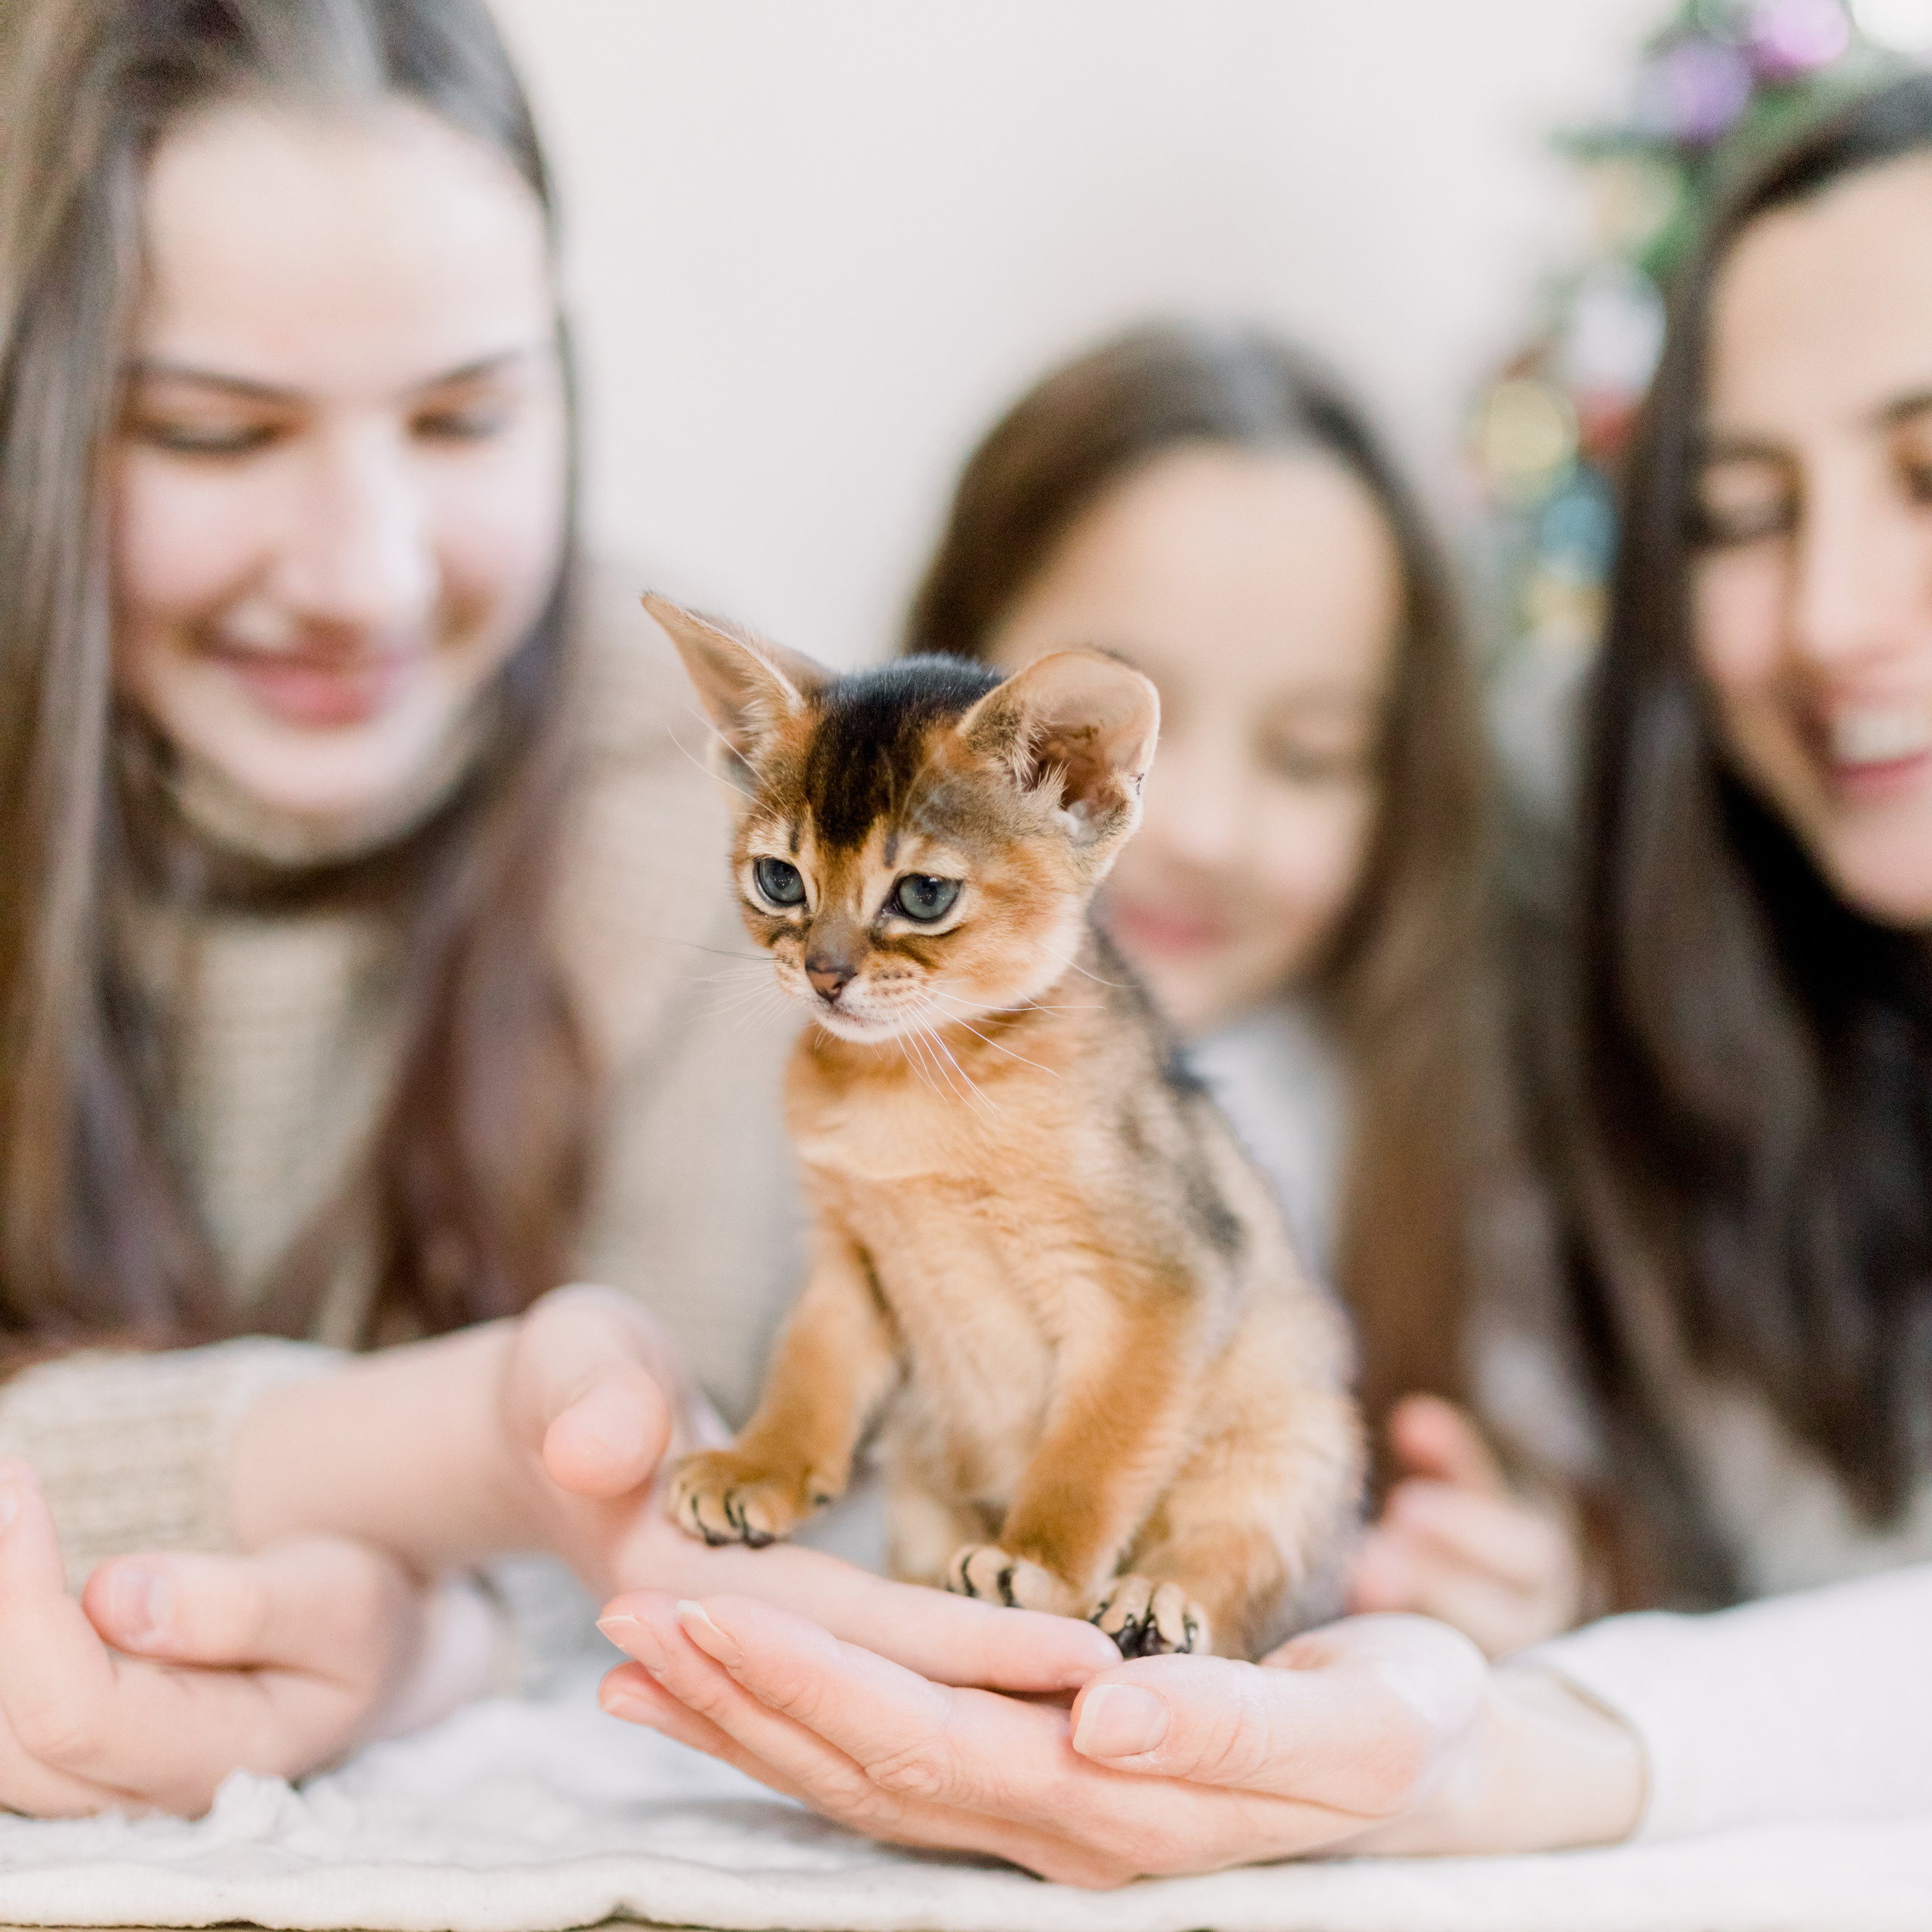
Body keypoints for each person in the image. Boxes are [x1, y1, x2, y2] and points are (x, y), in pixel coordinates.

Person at [593, 75, 1932, 1877]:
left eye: (1314, 752)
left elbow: (1692, 1561)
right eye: (1734, 507)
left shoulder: (1474, 1074)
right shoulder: (783, 1042)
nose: (1194, 828)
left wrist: (1541, 1655)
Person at [0, 0, 822, 1812]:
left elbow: (766, 1509)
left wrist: (425, 1635)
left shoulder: (728, 811)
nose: (363, 573)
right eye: (215, 436)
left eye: (465, 416)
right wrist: (417, 1458)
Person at [902, 325, 1582, 1657]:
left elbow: (1554, 1505)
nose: (1200, 826)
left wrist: (1516, 1585)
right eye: (1093, 738)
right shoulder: (829, 1061)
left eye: (1311, 755)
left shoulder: (1443, 1116)